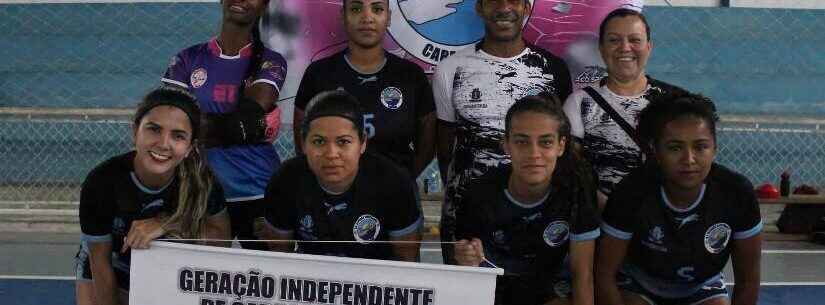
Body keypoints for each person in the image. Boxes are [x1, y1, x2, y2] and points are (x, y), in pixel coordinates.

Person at [433, 0, 573, 264]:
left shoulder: (553, 69)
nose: (503, 7)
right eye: (494, 0)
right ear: (479, 8)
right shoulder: (451, 69)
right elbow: (445, 151)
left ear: (526, 7)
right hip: (466, 219)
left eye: (513, 0)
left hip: (537, 218)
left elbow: (560, 144)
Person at [596, 94, 762, 305]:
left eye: (700, 146)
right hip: (639, 285)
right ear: (655, 150)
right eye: (675, 147)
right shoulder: (631, 192)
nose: (689, 159)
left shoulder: (737, 193)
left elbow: (748, 280)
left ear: (715, 149)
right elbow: (604, 274)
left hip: (702, 286)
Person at [75, 88, 231, 305]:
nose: (163, 143)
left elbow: (222, 240)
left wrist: (168, 224)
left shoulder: (202, 182)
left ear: (189, 148)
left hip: (169, 272)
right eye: (154, 129)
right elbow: (100, 264)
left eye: (178, 136)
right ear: (135, 132)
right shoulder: (102, 182)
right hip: (114, 266)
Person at [161, 0, 287, 250]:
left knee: (266, 280)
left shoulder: (270, 61)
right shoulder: (187, 59)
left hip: (259, 190)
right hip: (202, 192)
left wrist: (195, 129)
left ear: (264, 5)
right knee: (202, 283)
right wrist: (243, 129)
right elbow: (169, 121)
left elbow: (245, 120)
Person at [454, 96, 599, 305]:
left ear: (561, 146)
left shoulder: (576, 190)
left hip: (550, 292)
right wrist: (466, 260)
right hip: (496, 293)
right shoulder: (480, 195)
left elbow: (582, 276)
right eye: (522, 142)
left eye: (546, 142)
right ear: (506, 145)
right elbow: (467, 279)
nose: (534, 154)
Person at [264, 90, 422, 262]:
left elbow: (406, 260)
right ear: (303, 144)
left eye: (343, 142)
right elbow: (278, 257)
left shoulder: (394, 182)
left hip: (377, 281)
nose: (331, 154)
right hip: (310, 281)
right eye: (319, 141)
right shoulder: (285, 181)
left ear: (362, 143)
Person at [292, 0, 436, 179]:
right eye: (356, 9)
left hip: (395, 198)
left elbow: (428, 146)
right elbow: (302, 140)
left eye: (377, 9)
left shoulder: (411, 76)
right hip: (331, 196)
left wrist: (401, 181)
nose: (367, 17)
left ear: (388, 17)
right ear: (343, 16)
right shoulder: (319, 74)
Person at [562, 8, 687, 210]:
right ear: (601, 49)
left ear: (649, 47)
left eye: (635, 40)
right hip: (600, 219)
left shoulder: (675, 102)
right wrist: (605, 207)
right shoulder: (578, 103)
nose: (625, 48)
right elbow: (571, 168)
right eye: (614, 40)